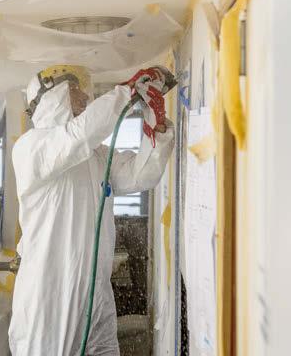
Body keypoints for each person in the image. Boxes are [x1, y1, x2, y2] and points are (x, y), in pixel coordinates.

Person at [9, 64, 175, 356]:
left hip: (95, 292)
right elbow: (79, 135)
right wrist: (127, 92)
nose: (85, 96)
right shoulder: (31, 147)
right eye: (75, 89)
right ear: (52, 97)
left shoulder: (94, 155)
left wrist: (156, 129)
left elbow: (140, 175)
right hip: (49, 298)